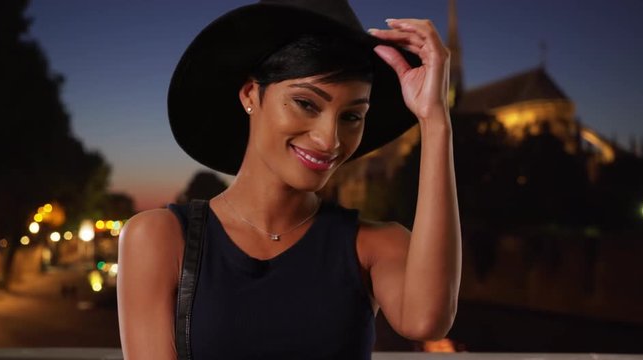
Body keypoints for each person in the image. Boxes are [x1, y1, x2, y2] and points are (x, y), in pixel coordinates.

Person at [117, 0, 461, 359]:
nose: (330, 140)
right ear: (251, 94)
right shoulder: (159, 239)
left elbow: (427, 323)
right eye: (306, 103)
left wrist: (435, 121)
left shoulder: (374, 247)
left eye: (352, 117)